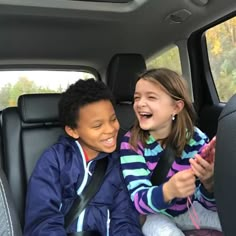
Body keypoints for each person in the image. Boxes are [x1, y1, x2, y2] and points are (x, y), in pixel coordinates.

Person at [24, 79, 143, 236]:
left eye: (113, 119)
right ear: (73, 131)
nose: (111, 129)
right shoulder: (55, 161)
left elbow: (124, 220)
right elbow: (42, 220)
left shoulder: (118, 165)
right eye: (97, 125)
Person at [120, 68, 221, 235]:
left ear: (176, 107)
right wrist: (168, 191)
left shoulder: (196, 139)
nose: (139, 103)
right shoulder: (132, 144)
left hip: (192, 208)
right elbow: (138, 200)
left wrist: (209, 185)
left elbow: (206, 202)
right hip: (155, 214)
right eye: (136, 98)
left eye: (151, 97)